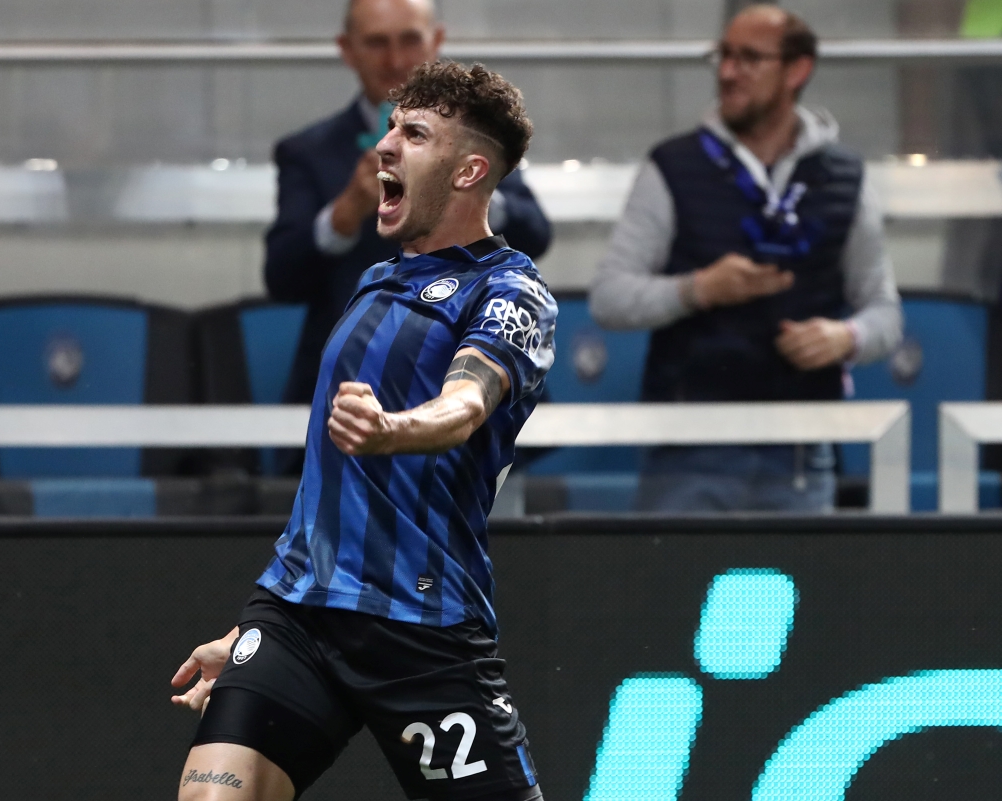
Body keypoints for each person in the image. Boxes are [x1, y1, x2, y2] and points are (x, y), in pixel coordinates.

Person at [172, 61, 556, 801]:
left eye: (414, 134)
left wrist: (391, 430)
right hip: (297, 616)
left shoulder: (512, 290)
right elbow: (328, 475)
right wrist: (248, 638)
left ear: (471, 169)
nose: (385, 147)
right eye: (390, 127)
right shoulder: (375, 279)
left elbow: (465, 405)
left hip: (421, 627)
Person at [589, 4, 902, 513]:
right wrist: (697, 290)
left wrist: (845, 338)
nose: (729, 72)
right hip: (690, 450)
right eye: (724, 56)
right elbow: (609, 297)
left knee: (799, 593)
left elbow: (884, 314)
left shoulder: (845, 177)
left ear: (797, 70)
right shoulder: (673, 166)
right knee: (675, 590)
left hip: (802, 451)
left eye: (749, 59)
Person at [263, 0, 552, 421]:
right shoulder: (309, 152)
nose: (396, 60)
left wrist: (469, 183)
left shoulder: (480, 140)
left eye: (410, 40)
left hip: (472, 372)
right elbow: (281, 277)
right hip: (349, 388)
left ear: (436, 41)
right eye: (377, 43)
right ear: (347, 49)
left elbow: (535, 234)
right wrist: (343, 213)